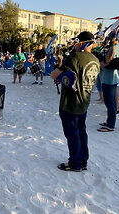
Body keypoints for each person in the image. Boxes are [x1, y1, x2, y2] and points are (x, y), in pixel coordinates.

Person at [50, 31, 100, 172]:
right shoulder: (95, 60)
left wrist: (59, 71)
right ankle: (83, 161)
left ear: (82, 43)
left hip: (70, 102)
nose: (75, 45)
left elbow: (54, 74)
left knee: (72, 133)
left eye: (77, 42)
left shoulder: (74, 57)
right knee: (81, 131)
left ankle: (75, 163)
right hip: (84, 101)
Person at [97, 34, 119, 132]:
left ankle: (110, 125)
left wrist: (100, 64)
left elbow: (108, 61)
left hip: (109, 79)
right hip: (113, 78)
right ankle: (109, 122)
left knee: (110, 102)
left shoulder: (114, 48)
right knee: (110, 102)